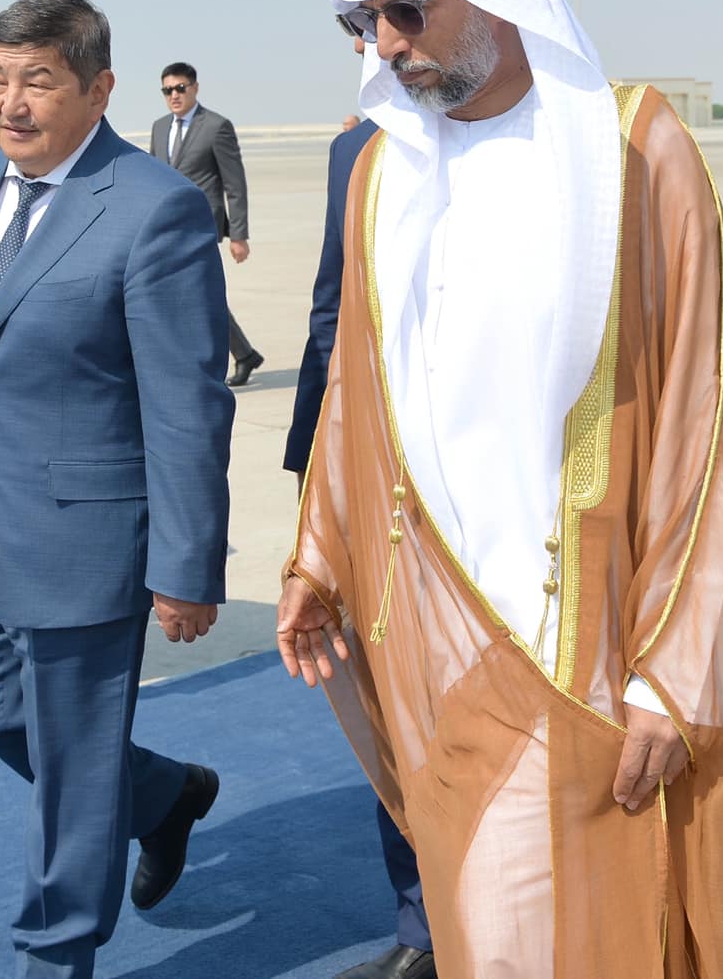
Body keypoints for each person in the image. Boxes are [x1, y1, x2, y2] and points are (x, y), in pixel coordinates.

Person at [278, 0, 723, 975]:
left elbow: (702, 425)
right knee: (492, 929)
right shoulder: (380, 176)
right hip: (438, 633)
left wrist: (673, 672)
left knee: (599, 926)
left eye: (407, 11)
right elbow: (358, 393)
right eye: (362, 22)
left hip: (592, 639)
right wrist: (319, 555)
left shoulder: (631, 150)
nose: (384, 45)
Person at [0, 0, 231, 978]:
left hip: (88, 532)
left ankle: (53, 954)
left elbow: (186, 404)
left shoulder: (154, 209)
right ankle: (162, 795)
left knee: (74, 768)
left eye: (36, 81)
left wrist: (186, 565)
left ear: (98, 89)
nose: (10, 103)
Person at [283, 105, 431, 979]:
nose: (384, 46)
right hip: (383, 487)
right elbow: (332, 309)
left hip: (522, 502)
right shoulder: (356, 151)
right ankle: (427, 927)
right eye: (367, 36)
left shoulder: (566, 132)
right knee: (392, 700)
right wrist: (320, 470)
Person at [149, 64, 262, 385]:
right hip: (165, 229)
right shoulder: (159, 128)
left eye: (180, 88)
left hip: (201, 229)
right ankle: (243, 353)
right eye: (167, 90)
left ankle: (206, 362)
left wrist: (238, 235)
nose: (174, 95)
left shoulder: (216, 126)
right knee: (194, 295)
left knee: (196, 294)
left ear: (194, 88)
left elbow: (234, 184)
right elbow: (152, 180)